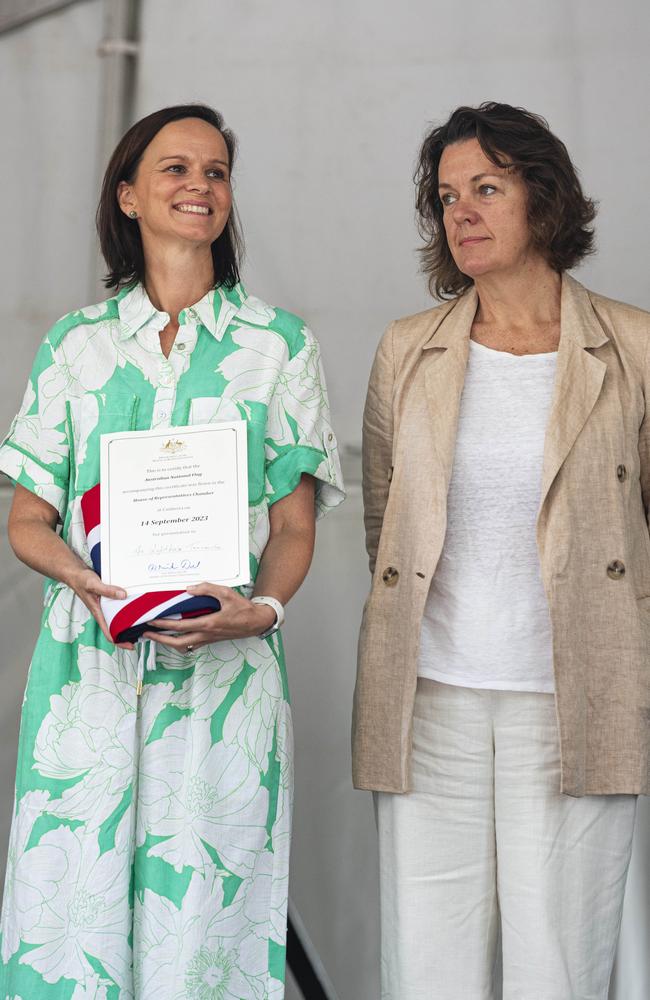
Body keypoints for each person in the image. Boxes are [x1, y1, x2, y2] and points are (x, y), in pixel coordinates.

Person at [0, 103, 344, 999]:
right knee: (69, 927)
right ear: (127, 195)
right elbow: (28, 520)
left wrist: (258, 612)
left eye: (216, 172)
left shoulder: (280, 347)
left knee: (208, 931)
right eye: (176, 169)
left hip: (226, 683)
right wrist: (83, 579)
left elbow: (296, 528)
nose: (200, 186)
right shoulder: (73, 349)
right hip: (89, 677)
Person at [353, 101, 650, 999]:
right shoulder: (407, 350)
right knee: (427, 964)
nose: (462, 213)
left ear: (545, 199)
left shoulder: (634, 347)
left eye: (487, 187)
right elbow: (385, 527)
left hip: (571, 698)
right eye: (446, 197)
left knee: (556, 961)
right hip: (430, 698)